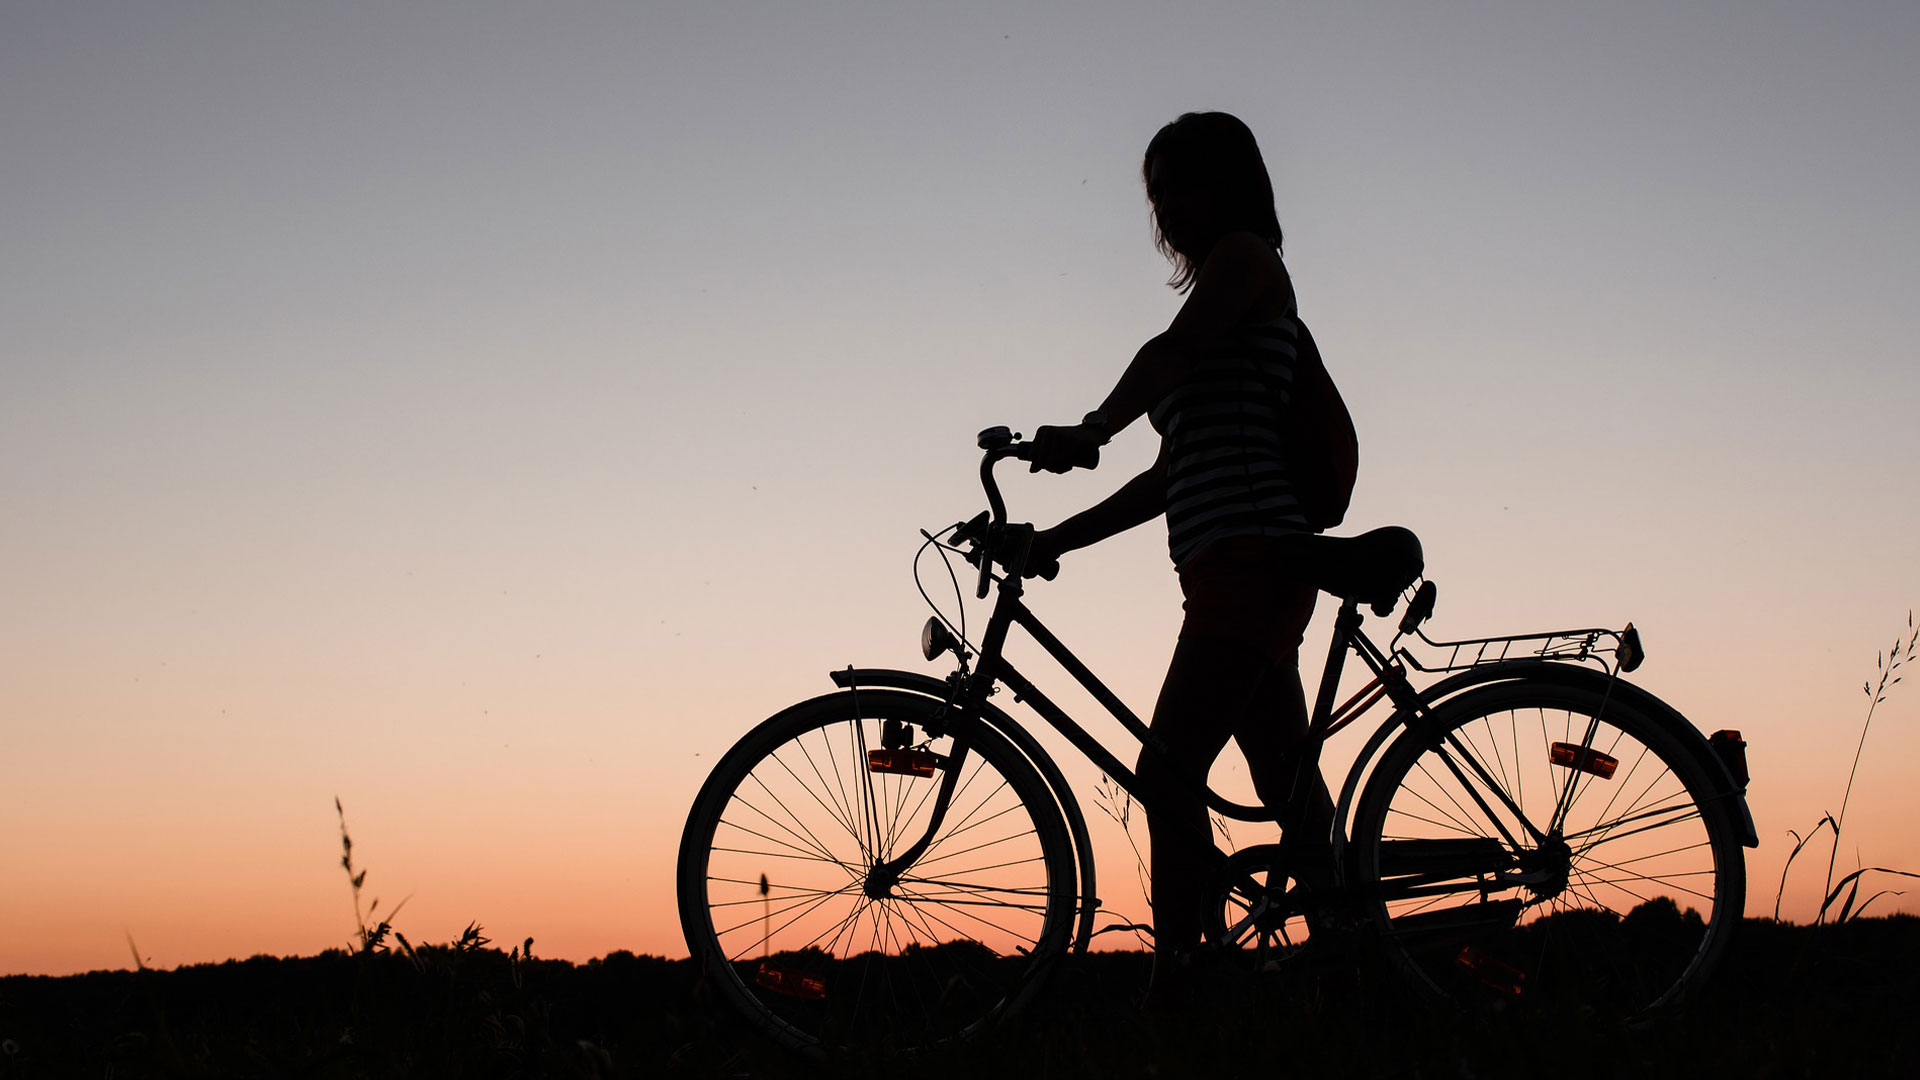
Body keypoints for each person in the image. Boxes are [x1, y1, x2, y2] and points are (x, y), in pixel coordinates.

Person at [1022, 111, 1340, 1008]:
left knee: (1167, 771)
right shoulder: (1222, 299)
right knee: (1283, 782)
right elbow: (1167, 479)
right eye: (1154, 193)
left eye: (1178, 185)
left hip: (1253, 561)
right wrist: (1055, 540)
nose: (1163, 207)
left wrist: (1093, 427)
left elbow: (1172, 352)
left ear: (1228, 185)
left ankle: (1182, 983)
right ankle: (1355, 958)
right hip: (1231, 569)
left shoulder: (1245, 262)